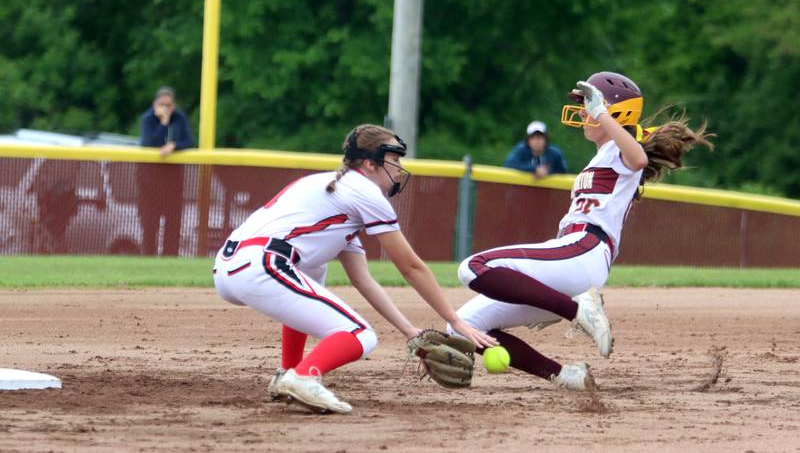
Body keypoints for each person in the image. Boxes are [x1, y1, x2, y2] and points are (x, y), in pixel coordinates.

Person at [452, 71, 712, 390]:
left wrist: (601, 111)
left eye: (588, 106)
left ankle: (578, 310)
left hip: (585, 248)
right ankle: (566, 376)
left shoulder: (620, 149)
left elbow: (638, 157)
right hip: (572, 256)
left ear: (613, 113)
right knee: (461, 327)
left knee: (474, 268)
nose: (583, 112)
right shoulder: (603, 154)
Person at [212, 124, 497, 414]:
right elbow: (412, 268)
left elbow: (363, 280)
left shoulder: (337, 191)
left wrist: (409, 331)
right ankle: (303, 375)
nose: (399, 167)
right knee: (361, 335)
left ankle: (289, 371)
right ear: (369, 163)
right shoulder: (366, 193)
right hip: (262, 264)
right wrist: (456, 322)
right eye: (393, 158)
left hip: (232, 268)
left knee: (314, 268)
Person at [137, 86, 194, 256]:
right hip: (150, 181)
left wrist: (174, 145)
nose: (165, 108)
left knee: (173, 223)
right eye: (162, 105)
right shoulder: (148, 119)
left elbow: (189, 141)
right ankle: (148, 258)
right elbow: (149, 142)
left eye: (169, 105)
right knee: (150, 223)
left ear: (174, 105)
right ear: (155, 104)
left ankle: (170, 258)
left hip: (173, 180)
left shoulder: (179, 118)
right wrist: (163, 122)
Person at [502, 120, 568, 178]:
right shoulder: (521, 150)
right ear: (528, 141)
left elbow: (564, 171)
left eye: (540, 138)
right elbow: (508, 164)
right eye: (533, 138)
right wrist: (534, 169)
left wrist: (547, 172)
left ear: (546, 139)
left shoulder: (555, 153)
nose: (537, 141)